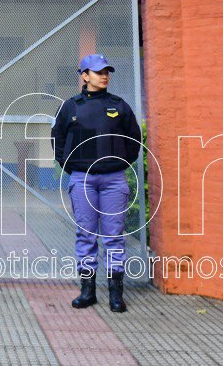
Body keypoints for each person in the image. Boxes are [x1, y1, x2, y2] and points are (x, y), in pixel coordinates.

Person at [50, 53, 142, 313]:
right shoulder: (71, 107)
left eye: (107, 72)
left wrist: (120, 164)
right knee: (86, 234)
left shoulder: (119, 105)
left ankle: (116, 294)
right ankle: (87, 291)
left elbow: (134, 140)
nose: (104, 76)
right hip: (83, 180)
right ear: (85, 75)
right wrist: (70, 166)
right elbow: (57, 138)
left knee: (114, 237)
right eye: (98, 72)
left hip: (114, 180)